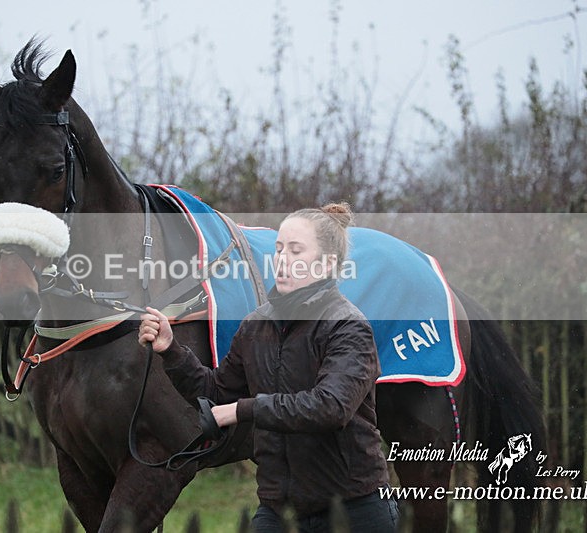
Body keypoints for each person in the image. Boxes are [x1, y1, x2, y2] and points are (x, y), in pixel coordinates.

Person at [139, 203, 398, 532]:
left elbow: (330, 408)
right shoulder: (255, 326)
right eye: (279, 249)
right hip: (279, 511)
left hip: (354, 510)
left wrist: (242, 410)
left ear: (327, 263)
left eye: (295, 250)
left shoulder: (348, 327)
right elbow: (216, 392)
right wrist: (171, 350)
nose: (282, 260)